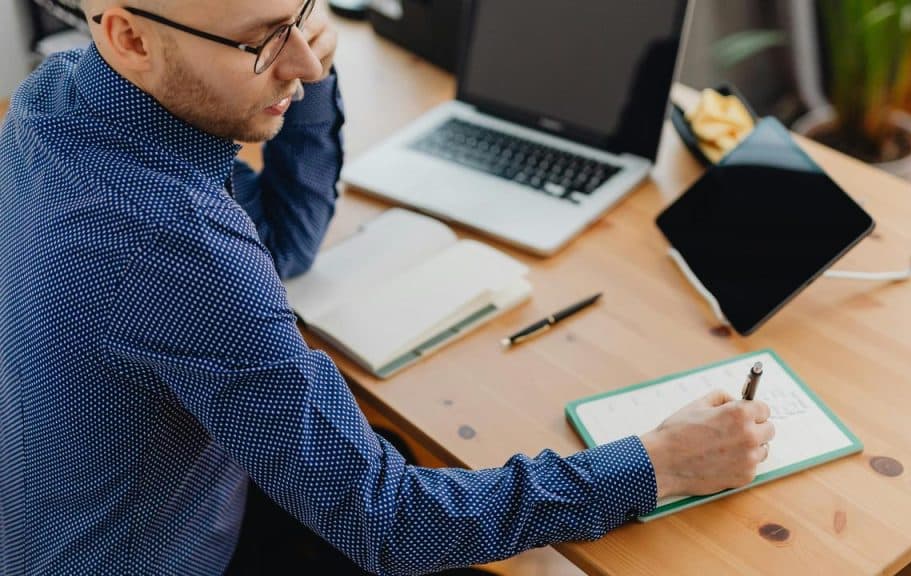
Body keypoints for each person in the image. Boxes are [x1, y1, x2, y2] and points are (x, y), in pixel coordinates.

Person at [0, 0, 775, 573]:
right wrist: (659, 463)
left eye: (302, 14)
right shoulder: (174, 244)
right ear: (129, 36)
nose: (305, 61)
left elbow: (282, 247)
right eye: (259, 42)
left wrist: (298, 81)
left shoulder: (61, 95)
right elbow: (386, 522)